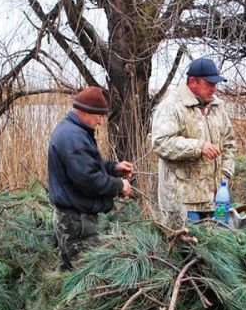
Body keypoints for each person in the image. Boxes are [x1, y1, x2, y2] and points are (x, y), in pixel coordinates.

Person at [47, 86, 133, 270]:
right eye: (99, 116)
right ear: (85, 112)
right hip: (77, 221)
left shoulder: (72, 130)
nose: (101, 122)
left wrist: (114, 168)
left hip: (72, 218)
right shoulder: (73, 137)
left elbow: (88, 165)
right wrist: (120, 186)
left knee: (70, 273)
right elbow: (88, 179)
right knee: (88, 277)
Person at [151, 57, 236, 225]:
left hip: (216, 201)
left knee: (217, 250)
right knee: (188, 251)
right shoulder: (172, 106)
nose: (214, 88)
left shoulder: (218, 107)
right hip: (182, 204)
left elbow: (229, 144)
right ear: (192, 82)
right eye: (209, 83)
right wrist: (198, 147)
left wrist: (225, 174)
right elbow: (161, 143)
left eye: (215, 83)